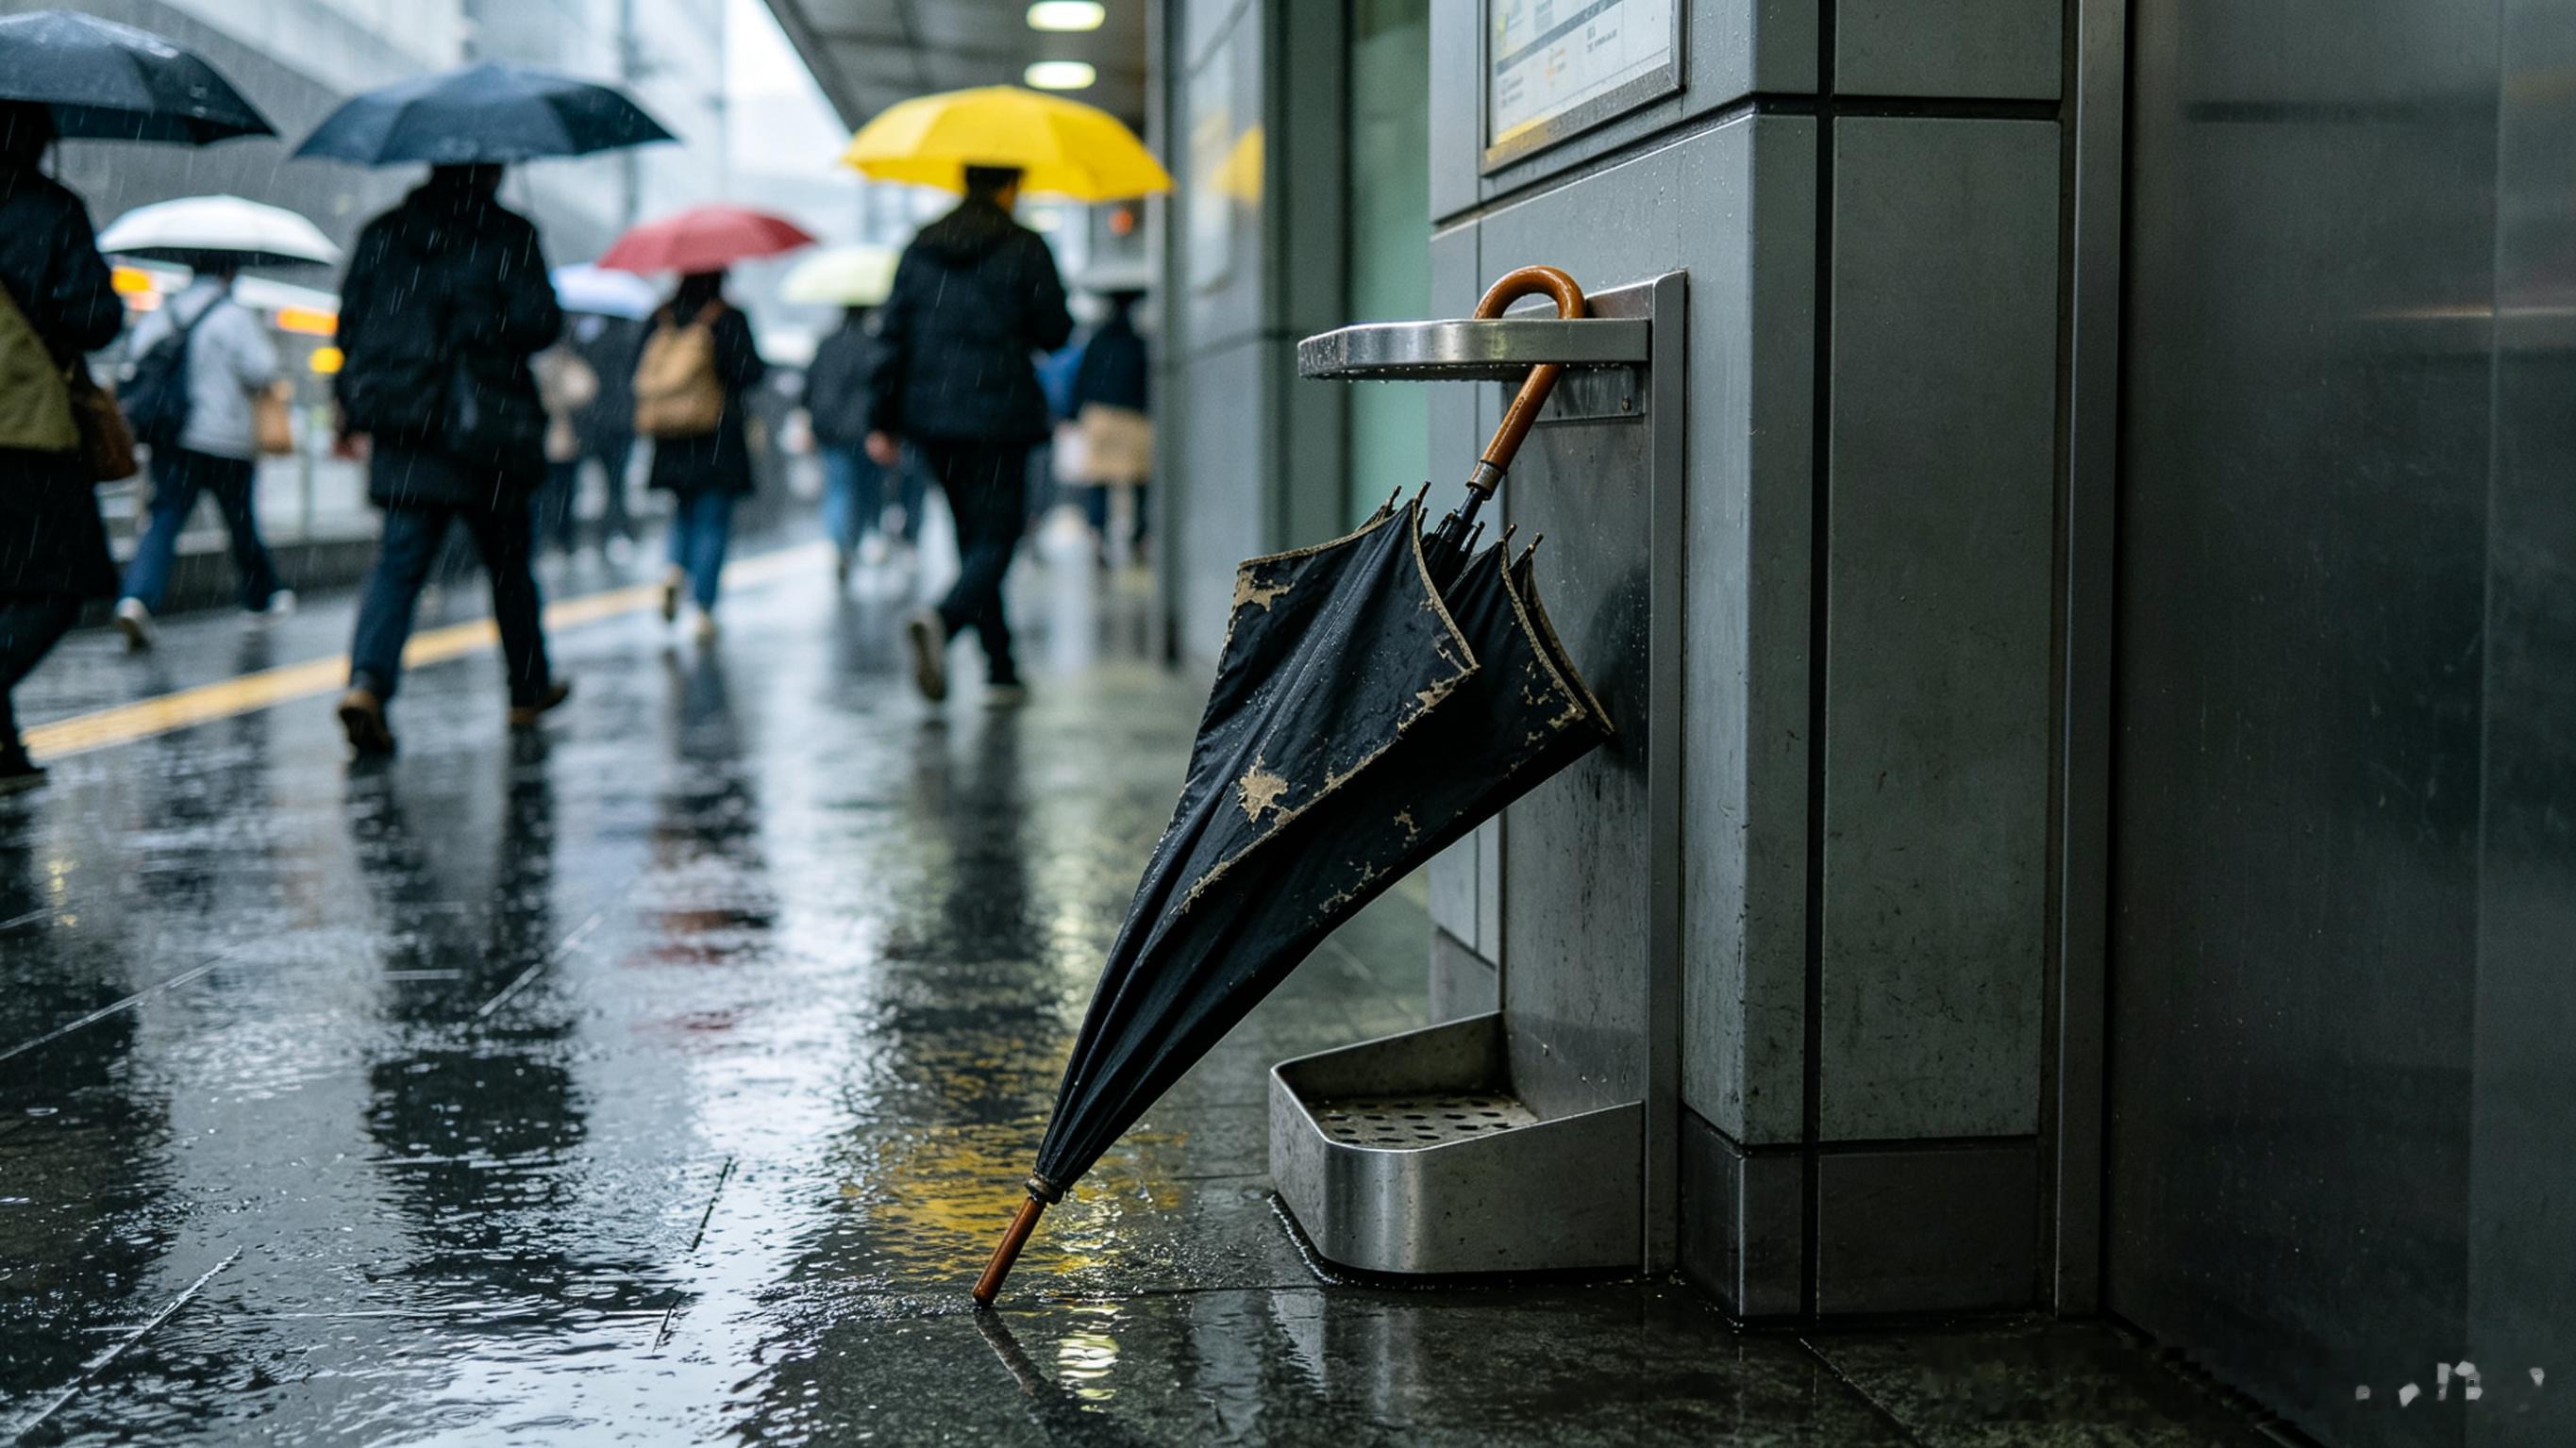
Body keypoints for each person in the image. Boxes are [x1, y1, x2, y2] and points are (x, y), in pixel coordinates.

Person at [331, 162, 569, 757]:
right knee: (508, 565)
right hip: (488, 426)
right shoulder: (509, 234)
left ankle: (368, 682)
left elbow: (350, 327)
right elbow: (541, 324)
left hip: (406, 424)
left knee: (399, 562)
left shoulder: (384, 232)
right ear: (489, 171)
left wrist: (353, 405)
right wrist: (492, 314)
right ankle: (527, 687)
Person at [866, 164, 1073, 706]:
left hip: (933, 417)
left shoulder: (920, 247)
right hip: (1000, 412)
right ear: (1011, 185)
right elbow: (1056, 331)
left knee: (972, 539)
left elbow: (892, 337)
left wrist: (880, 420)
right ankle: (945, 620)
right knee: (998, 537)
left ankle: (1000, 668)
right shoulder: (1025, 245)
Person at [0, 104, 122, 793]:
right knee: (59, 584)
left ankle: (4, 749)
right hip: (26, 427)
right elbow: (95, 317)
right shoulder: (50, 208)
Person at [112, 257, 291, 646]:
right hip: (226, 439)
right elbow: (263, 369)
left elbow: (136, 358)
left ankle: (137, 598)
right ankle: (259, 599)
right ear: (228, 273)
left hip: (173, 436)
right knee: (241, 522)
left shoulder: (164, 313)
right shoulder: (235, 316)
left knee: (164, 517)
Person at [639, 269, 762, 642]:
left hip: (672, 438)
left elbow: (639, 370)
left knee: (683, 511)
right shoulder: (727, 318)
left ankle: (674, 570)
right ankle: (704, 609)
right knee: (712, 520)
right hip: (717, 435)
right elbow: (750, 372)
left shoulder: (661, 316)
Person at [1064, 288, 1152, 561]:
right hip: (1133, 415)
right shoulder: (1138, 342)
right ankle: (1139, 536)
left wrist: (1073, 413)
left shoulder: (1097, 341)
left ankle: (1098, 535)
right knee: (1138, 481)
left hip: (1100, 415)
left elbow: (1081, 379)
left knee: (1099, 481)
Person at [807, 303, 886, 580]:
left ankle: (841, 544)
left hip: (831, 430)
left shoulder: (827, 344)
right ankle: (858, 538)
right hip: (866, 430)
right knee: (867, 489)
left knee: (839, 487)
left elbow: (810, 386)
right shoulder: (873, 343)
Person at [567, 312, 642, 558]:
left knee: (604, 483)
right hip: (618, 422)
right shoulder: (628, 340)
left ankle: (603, 534)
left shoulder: (587, 342)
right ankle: (616, 532)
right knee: (616, 485)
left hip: (597, 422)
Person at [531, 339, 598, 558]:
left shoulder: (566, 365)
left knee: (562, 496)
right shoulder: (538, 366)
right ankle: (549, 541)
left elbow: (585, 389)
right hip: (546, 444)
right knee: (547, 497)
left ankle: (559, 541)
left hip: (561, 445)